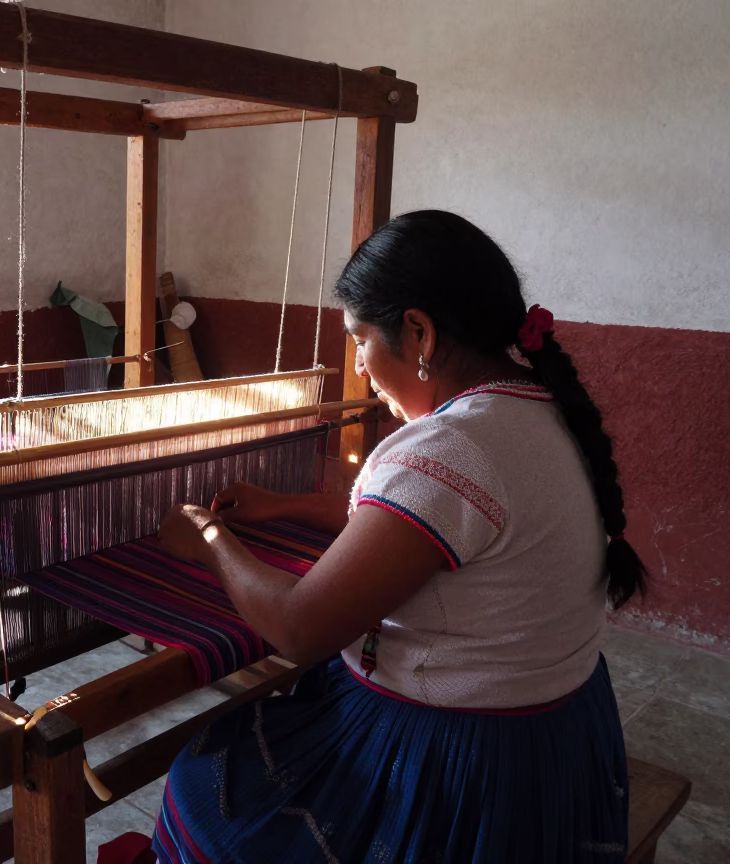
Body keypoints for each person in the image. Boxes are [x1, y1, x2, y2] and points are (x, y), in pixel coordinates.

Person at [151, 210, 646, 864]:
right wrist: (282, 507)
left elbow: (301, 628)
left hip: (462, 763)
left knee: (203, 786)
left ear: (418, 332)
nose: (359, 365)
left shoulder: (454, 447)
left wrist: (209, 536)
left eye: (360, 339)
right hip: (554, 737)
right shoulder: (535, 411)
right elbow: (423, 524)